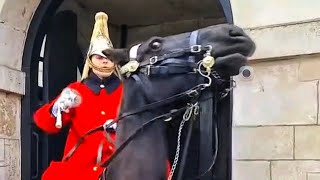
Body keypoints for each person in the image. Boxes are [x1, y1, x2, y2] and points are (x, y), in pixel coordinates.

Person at [33, 12, 122, 180]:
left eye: (109, 57)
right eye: (99, 56)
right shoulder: (76, 89)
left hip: (118, 167)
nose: (105, 61)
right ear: (90, 60)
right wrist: (56, 107)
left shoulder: (127, 91)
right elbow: (45, 124)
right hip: (80, 170)